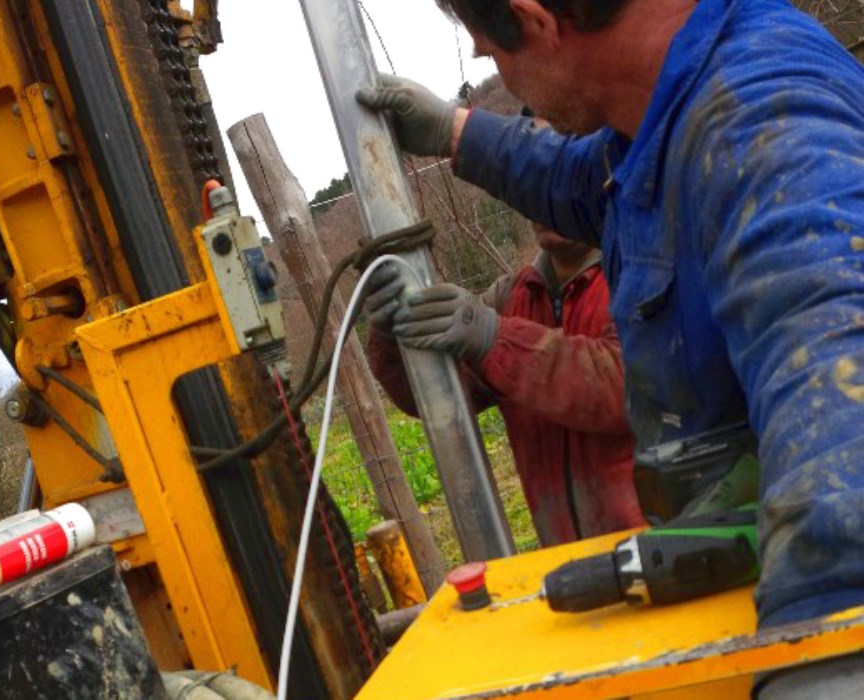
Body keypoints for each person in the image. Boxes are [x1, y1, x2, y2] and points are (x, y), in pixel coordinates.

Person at [357, 0, 864, 693]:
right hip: (724, 560)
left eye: (491, 51)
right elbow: (574, 176)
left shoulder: (761, 122)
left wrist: (825, 651)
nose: (497, 73)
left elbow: (842, 394)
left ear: (534, 20)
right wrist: (456, 130)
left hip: (806, 604)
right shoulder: (664, 123)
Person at [366, 220, 644, 547]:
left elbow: (626, 387)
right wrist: (393, 338)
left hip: (667, 551)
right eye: (538, 185)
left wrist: (494, 337)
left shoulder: (640, 277)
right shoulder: (513, 296)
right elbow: (439, 395)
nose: (545, 204)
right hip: (567, 561)